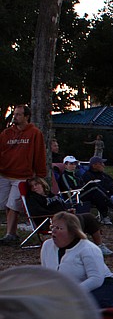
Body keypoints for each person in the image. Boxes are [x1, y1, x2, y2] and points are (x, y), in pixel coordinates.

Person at [40, 212, 113, 308]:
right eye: (52, 227)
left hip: (99, 286)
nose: (54, 231)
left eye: (59, 228)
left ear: (72, 232)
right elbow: (46, 274)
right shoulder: (47, 246)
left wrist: (71, 293)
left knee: (87, 308)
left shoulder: (88, 248)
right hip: (66, 290)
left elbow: (96, 279)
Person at [25, 177, 113, 256]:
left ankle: (100, 245)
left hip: (64, 217)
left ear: (42, 184)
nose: (34, 187)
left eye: (36, 184)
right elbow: (37, 212)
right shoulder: (33, 198)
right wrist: (57, 214)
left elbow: (62, 205)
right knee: (77, 220)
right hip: (49, 221)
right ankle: (78, 247)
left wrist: (68, 210)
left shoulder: (51, 195)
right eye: (32, 186)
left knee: (89, 217)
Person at [0, 104, 47, 244]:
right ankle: (12, 233)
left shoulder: (34, 133)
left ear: (26, 117)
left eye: (19, 114)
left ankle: (10, 234)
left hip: (22, 176)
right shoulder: (6, 134)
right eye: (14, 114)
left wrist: (40, 174)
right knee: (6, 205)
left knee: (13, 204)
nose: (15, 117)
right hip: (5, 173)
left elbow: (39, 154)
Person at [58, 156, 112, 225]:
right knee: (94, 187)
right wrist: (82, 188)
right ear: (65, 165)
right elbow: (69, 189)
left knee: (96, 194)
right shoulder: (64, 176)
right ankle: (110, 205)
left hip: (80, 194)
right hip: (72, 197)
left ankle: (105, 216)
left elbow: (82, 185)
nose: (74, 166)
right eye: (71, 164)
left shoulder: (76, 176)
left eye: (75, 163)